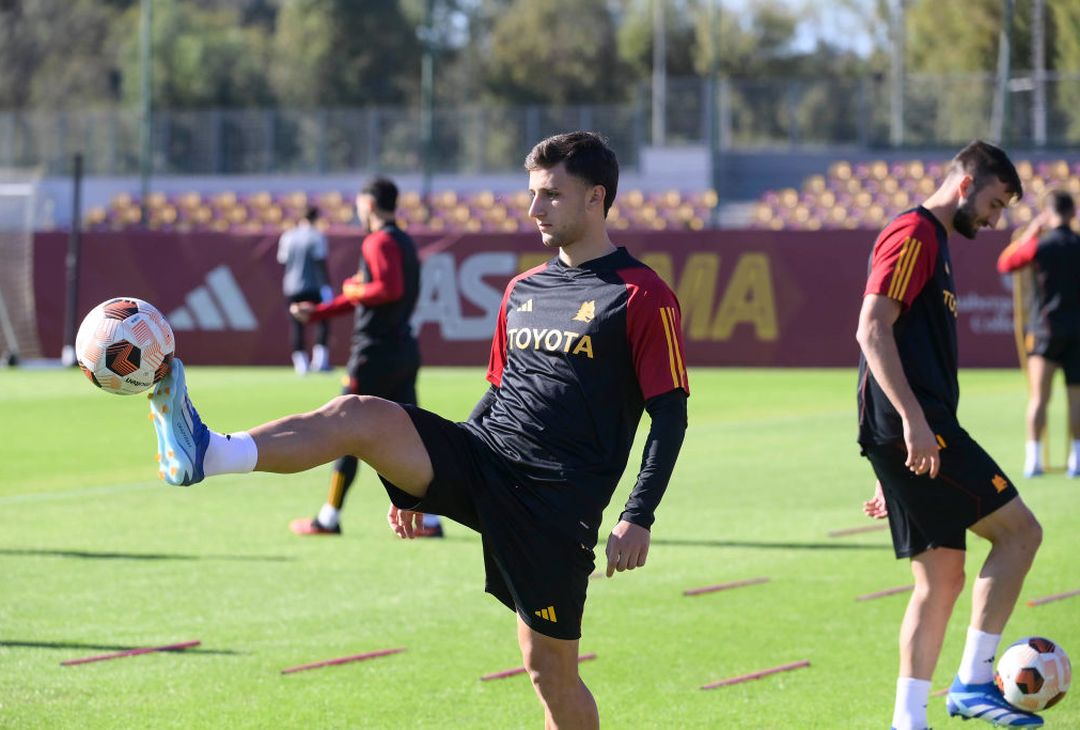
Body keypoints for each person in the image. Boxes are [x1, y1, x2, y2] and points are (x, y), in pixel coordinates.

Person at [148, 131, 689, 729]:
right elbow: (498, 392)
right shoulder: (522, 289)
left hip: (554, 505)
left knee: (549, 673)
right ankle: (208, 451)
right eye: (532, 194)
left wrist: (638, 515)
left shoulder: (642, 295)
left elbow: (670, 413)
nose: (534, 209)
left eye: (551, 195)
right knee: (357, 414)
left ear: (596, 199)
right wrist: (419, 483)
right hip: (484, 455)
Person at [856, 140, 1044, 729]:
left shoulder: (934, 242)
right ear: (965, 185)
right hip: (920, 428)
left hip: (908, 432)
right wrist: (911, 425)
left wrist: (892, 460)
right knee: (1020, 534)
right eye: (992, 203)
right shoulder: (913, 233)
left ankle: (908, 721)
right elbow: (871, 330)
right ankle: (971, 682)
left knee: (941, 579)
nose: (994, 220)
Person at [287, 178, 443, 538]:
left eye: (359, 204)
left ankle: (328, 517)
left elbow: (388, 289)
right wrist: (322, 312)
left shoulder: (380, 240)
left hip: (374, 353)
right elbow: (375, 294)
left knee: (345, 427)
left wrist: (353, 287)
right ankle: (431, 520)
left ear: (369, 205)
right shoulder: (403, 241)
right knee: (414, 436)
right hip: (402, 349)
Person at [996, 189, 1080, 478]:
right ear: (1073, 213)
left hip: (1045, 331)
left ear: (1048, 212)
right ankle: (1076, 460)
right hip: (1077, 332)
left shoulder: (1040, 246)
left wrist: (1031, 231)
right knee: (1076, 399)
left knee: (1038, 398)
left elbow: (1006, 263)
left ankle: (1033, 460)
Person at [277, 205, 332, 375]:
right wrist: (326, 285)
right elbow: (320, 262)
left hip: (292, 286)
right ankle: (320, 361)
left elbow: (283, 261)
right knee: (323, 321)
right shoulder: (316, 236)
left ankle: (301, 364)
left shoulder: (288, 236)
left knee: (296, 325)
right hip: (313, 286)